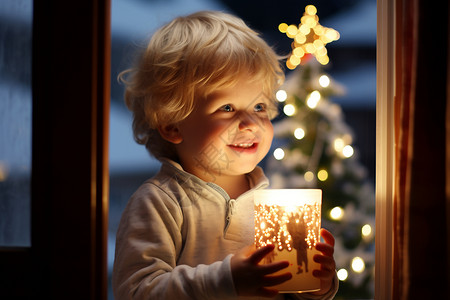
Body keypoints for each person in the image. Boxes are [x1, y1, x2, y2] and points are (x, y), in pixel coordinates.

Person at [112, 10, 338, 300]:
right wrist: (227, 279)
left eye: (259, 107)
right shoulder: (160, 203)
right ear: (171, 124)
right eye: (228, 108)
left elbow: (288, 287)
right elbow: (136, 291)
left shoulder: (270, 205)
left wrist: (318, 285)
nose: (250, 123)